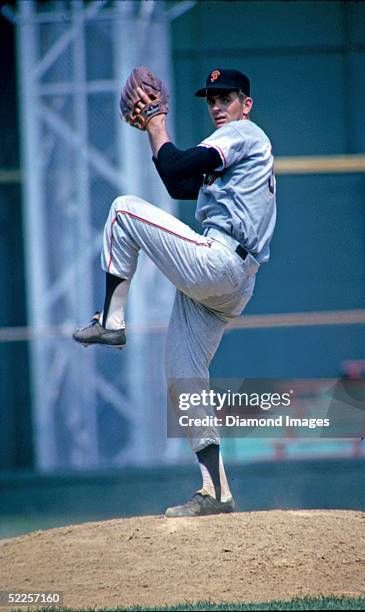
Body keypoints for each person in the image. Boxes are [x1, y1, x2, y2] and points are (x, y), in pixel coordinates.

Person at [73, 68, 277, 517]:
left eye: (227, 98)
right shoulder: (232, 157)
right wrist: (153, 128)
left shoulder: (243, 133)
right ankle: (216, 489)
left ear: (246, 105)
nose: (218, 106)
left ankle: (111, 322)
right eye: (211, 99)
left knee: (123, 210)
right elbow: (177, 180)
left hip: (221, 260)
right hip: (230, 281)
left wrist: (157, 120)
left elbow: (179, 163)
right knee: (182, 376)